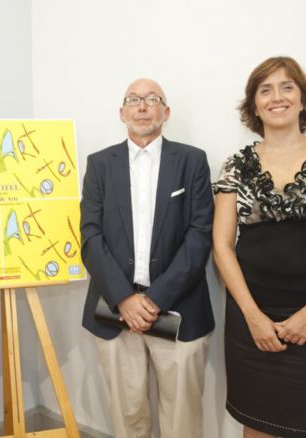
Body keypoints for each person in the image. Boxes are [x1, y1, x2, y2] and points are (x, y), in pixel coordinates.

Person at [213, 56, 306, 438]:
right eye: (265, 90)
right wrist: (252, 316)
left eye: (287, 87)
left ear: (302, 99)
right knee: (257, 427)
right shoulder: (234, 166)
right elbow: (221, 246)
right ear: (254, 105)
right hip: (252, 320)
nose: (276, 97)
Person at [80, 78, 215, 438]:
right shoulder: (99, 164)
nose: (142, 106)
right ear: (121, 112)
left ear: (165, 112)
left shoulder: (192, 161)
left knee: (182, 421)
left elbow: (200, 235)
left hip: (179, 308)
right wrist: (125, 298)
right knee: (128, 419)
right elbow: (90, 235)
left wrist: (154, 299)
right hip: (115, 311)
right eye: (133, 99)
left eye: (152, 99)